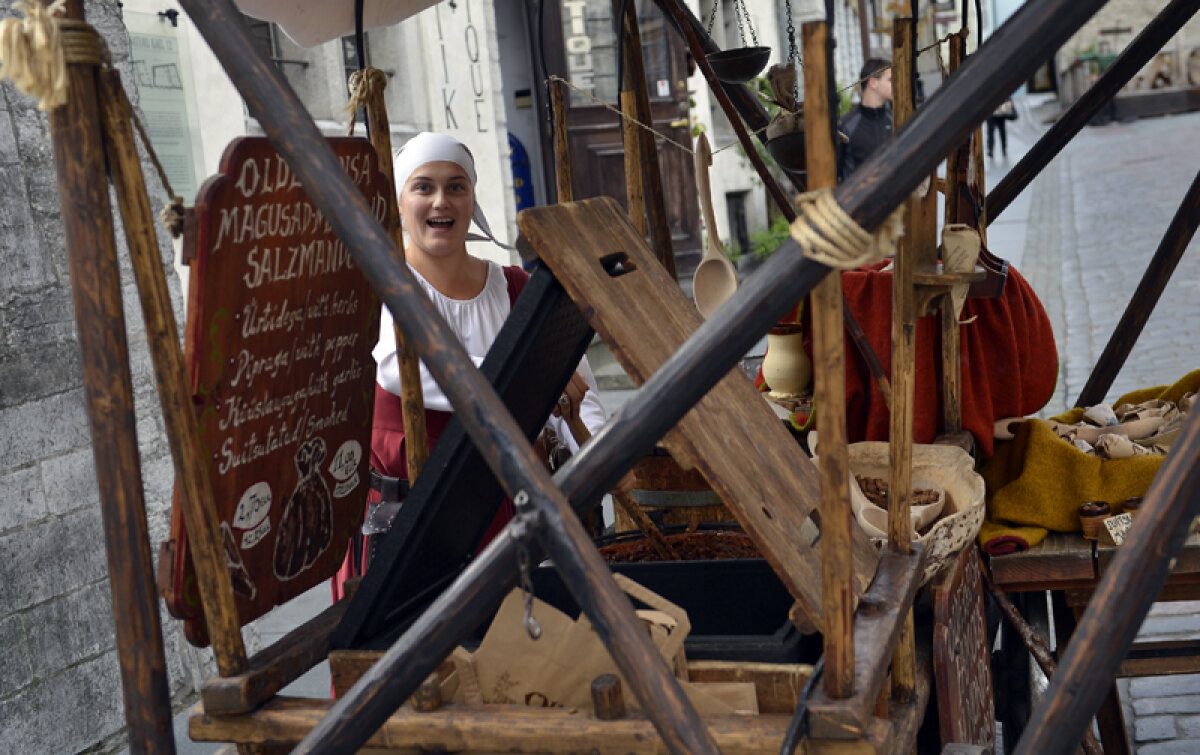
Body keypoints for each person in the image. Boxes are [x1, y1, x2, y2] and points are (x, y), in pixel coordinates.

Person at [332, 132, 630, 602]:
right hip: (401, 525)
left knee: (502, 665)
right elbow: (405, 370)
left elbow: (578, 389)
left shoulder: (516, 288)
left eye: (456, 186)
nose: (440, 201)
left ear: (472, 198)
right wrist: (533, 378)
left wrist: (586, 453)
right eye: (423, 187)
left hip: (500, 518)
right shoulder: (378, 285)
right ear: (399, 200)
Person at [836, 58, 893, 181]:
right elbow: (835, 173)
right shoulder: (846, 125)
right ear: (873, 83)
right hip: (856, 198)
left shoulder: (895, 119)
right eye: (890, 80)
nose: (896, 84)